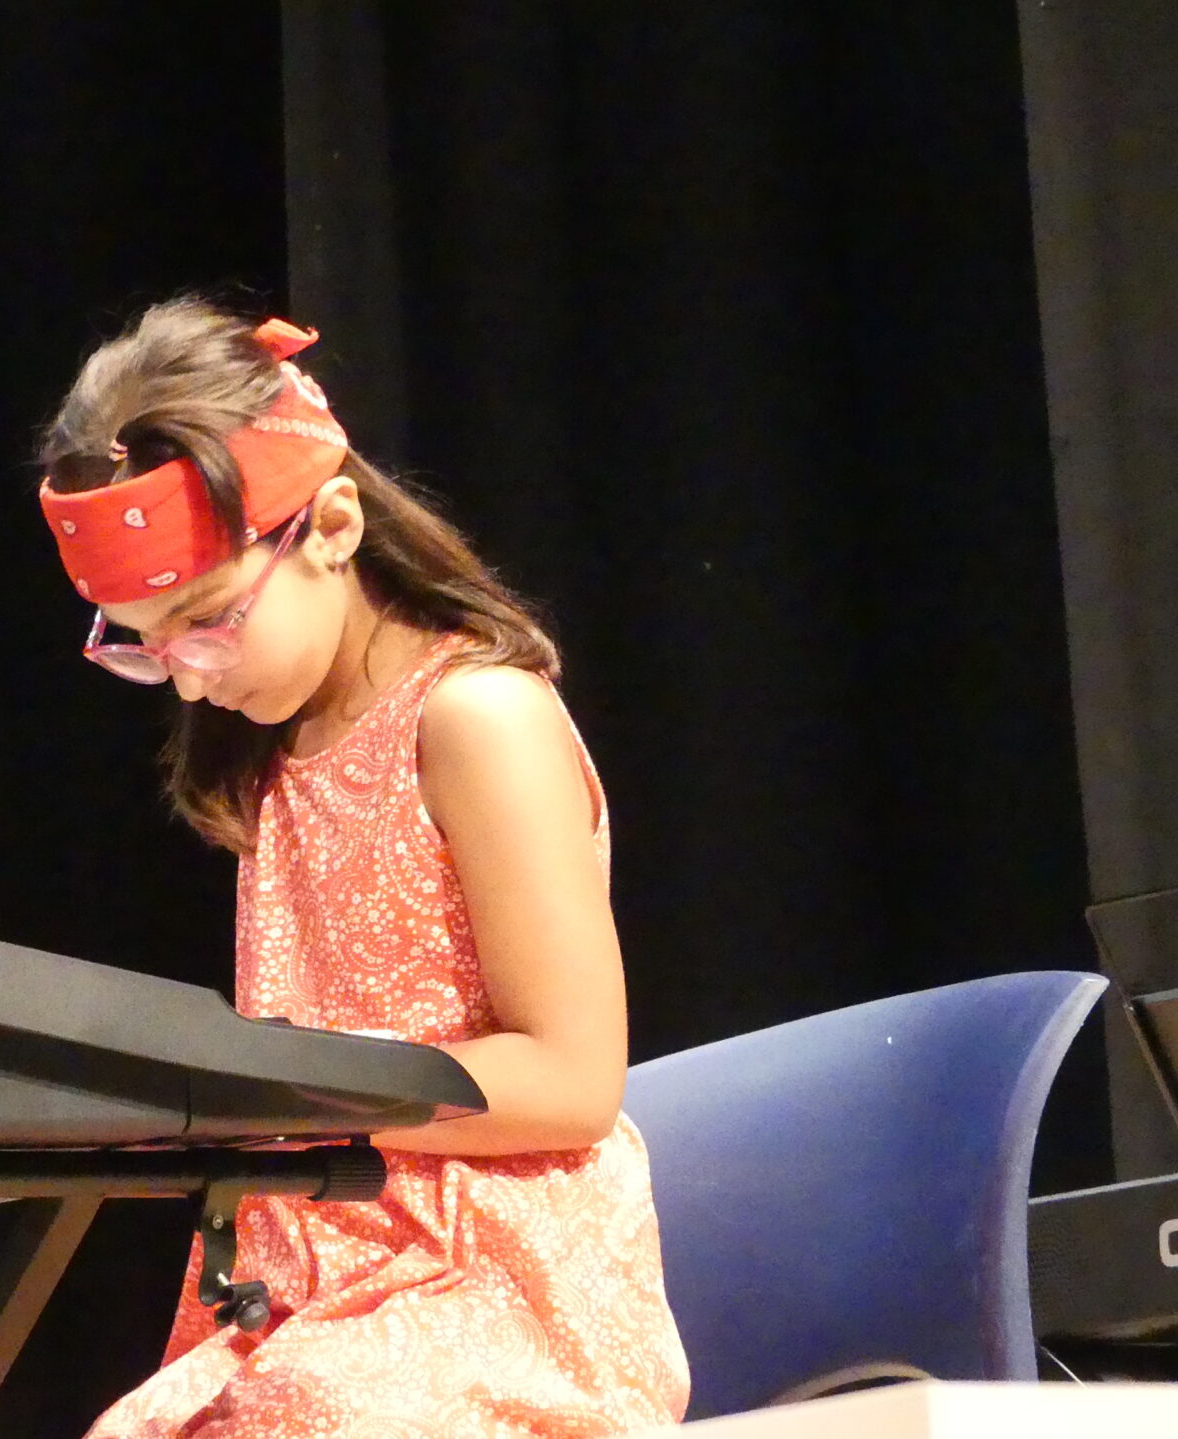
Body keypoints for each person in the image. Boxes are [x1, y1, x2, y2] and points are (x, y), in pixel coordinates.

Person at [36, 298, 689, 1439]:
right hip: (308, 1287)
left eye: (206, 621)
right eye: (143, 642)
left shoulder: (475, 717)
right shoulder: (276, 755)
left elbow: (574, 1077)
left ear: (332, 524)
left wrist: (273, 1095)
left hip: (494, 1282)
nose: (187, 679)